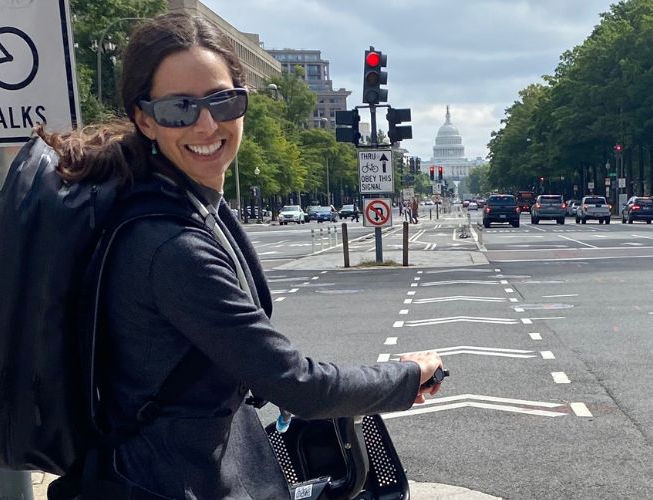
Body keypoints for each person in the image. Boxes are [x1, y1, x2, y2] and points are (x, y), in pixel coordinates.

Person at [38, 13, 444, 499]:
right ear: (145, 119)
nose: (207, 124)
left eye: (223, 101)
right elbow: (298, 385)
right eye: (179, 108)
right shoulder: (171, 245)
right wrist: (407, 375)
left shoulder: (181, 204)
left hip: (188, 463)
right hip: (170, 482)